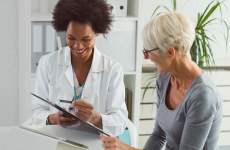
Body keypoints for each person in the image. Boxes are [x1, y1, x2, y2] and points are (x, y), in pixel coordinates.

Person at [100, 12, 223, 149]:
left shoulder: (203, 95)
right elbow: (158, 136)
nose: (146, 57)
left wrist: (128, 148)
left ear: (170, 52)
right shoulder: (165, 78)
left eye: (148, 51)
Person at [31, 0, 128, 137]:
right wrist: (53, 118)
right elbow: (36, 111)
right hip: (56, 140)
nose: (78, 46)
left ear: (97, 32)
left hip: (95, 143)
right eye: (71, 38)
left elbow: (120, 121)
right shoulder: (47, 63)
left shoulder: (112, 70)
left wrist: (95, 118)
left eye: (85, 39)